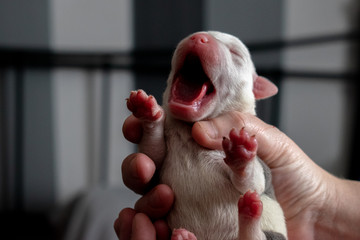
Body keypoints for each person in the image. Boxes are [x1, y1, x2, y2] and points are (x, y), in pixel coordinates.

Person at [114, 111, 360, 240]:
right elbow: (153, 160)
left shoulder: (242, 138)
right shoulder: (171, 123)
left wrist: (244, 166)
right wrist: (152, 125)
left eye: (234, 53)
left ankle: (250, 225)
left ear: (254, 87)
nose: (201, 41)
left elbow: (256, 184)